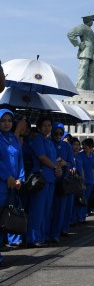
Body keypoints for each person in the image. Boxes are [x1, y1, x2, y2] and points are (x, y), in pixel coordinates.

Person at [27, 116, 61, 247]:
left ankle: (43, 235)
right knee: (38, 209)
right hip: (41, 179)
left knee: (46, 210)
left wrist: (57, 168)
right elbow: (42, 157)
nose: (48, 128)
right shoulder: (38, 139)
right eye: (45, 125)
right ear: (39, 127)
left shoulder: (50, 142)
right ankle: (33, 238)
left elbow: (54, 159)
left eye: (49, 125)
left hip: (50, 179)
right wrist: (54, 167)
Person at [0, 109, 24, 263]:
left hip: (12, 186)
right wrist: (6, 177)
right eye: (3, 120)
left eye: (9, 120)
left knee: (5, 218)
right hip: (2, 183)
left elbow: (20, 160)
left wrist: (20, 178)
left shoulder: (14, 140)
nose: (7, 123)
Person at [49, 123, 75, 243]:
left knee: (60, 209)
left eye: (61, 133)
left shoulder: (67, 146)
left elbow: (71, 163)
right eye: (56, 133)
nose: (58, 136)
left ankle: (56, 233)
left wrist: (65, 163)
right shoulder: (48, 142)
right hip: (49, 179)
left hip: (62, 181)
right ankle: (46, 233)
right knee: (48, 208)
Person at [67, 14, 94, 91]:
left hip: (91, 53)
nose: (92, 22)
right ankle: (80, 87)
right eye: (92, 21)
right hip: (84, 52)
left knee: (91, 72)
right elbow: (70, 34)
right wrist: (78, 44)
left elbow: (92, 42)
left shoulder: (90, 30)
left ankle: (90, 88)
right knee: (83, 69)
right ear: (89, 21)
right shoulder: (82, 27)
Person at [75, 138, 94, 224]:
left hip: (90, 180)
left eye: (85, 146)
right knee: (80, 199)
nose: (83, 147)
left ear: (90, 146)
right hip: (82, 180)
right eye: (83, 145)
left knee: (86, 199)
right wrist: (83, 179)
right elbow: (81, 168)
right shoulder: (80, 155)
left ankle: (83, 217)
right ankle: (78, 217)